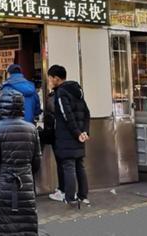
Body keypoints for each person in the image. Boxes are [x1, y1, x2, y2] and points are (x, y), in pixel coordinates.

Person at [0, 90, 41, 235]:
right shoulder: (31, 129)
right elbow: (36, 162)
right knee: (26, 225)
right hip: (25, 185)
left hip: (3, 184)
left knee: (4, 226)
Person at [48, 64, 91, 208]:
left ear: (56, 78)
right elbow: (86, 112)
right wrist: (85, 131)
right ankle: (83, 196)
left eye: (49, 78)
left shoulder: (61, 92)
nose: (48, 81)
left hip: (67, 136)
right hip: (79, 135)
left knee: (69, 165)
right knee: (79, 165)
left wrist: (77, 133)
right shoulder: (77, 90)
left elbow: (67, 116)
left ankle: (70, 198)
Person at [42, 80, 65, 202]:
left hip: (57, 134)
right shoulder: (69, 94)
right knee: (67, 164)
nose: (49, 81)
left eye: (50, 79)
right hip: (67, 134)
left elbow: (50, 116)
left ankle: (63, 191)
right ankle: (67, 190)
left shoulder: (54, 97)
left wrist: (48, 133)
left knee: (62, 163)